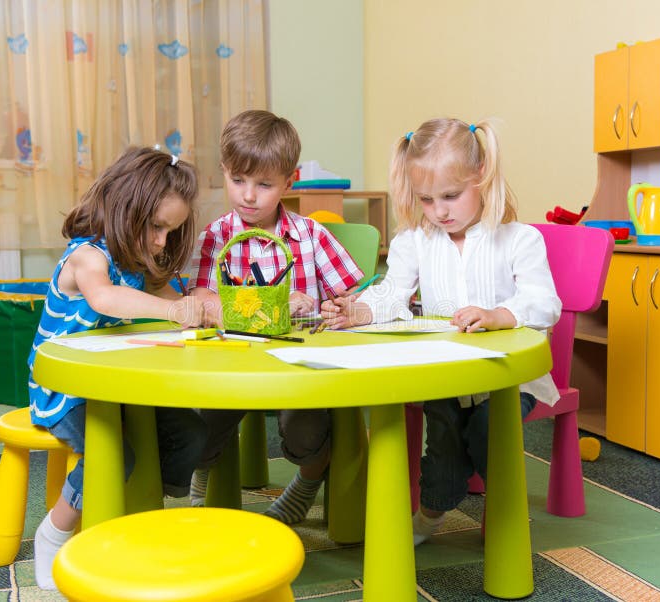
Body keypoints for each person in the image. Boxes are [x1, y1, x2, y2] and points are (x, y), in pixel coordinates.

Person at [320, 118, 561, 544]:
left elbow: (545, 303)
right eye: (427, 200)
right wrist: (359, 310)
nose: (439, 211)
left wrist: (500, 314)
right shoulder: (416, 241)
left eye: (450, 196)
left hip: (508, 379)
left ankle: (505, 510)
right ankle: (431, 515)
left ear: (482, 176)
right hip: (445, 376)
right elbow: (393, 291)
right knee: (444, 450)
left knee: (488, 434)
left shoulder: (519, 239)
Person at [28, 147, 209, 590]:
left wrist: (215, 310)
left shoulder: (135, 265)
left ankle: (145, 509)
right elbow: (106, 299)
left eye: (172, 230)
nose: (162, 242)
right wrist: (177, 311)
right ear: (124, 206)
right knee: (117, 456)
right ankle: (54, 532)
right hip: (67, 390)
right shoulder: (86, 257)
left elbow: (178, 302)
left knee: (190, 432)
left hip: (119, 384)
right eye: (156, 227)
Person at [187, 109, 364, 524]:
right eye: (238, 181)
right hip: (229, 367)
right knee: (200, 423)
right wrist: (270, 306)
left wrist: (333, 307)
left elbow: (348, 296)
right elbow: (200, 300)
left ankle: (306, 481)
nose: (249, 196)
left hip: (297, 369)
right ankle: (201, 477)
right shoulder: (215, 237)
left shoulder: (310, 235)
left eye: (264, 185)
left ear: (289, 182)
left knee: (306, 429)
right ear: (225, 173)